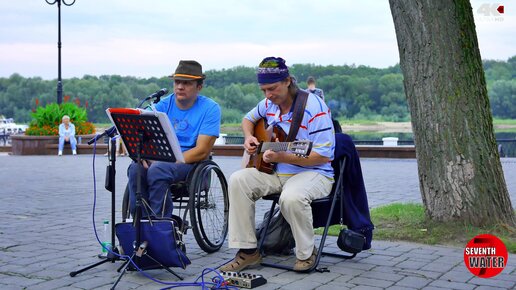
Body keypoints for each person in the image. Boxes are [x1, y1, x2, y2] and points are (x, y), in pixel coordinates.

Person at [220, 57, 335, 272]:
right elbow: (247, 119)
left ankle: (307, 253)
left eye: (272, 89)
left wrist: (282, 157)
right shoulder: (268, 105)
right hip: (276, 171)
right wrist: (248, 138)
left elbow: (322, 155)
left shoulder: (314, 106)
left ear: (288, 81)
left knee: (291, 197)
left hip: (314, 173)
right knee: (238, 180)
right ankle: (248, 252)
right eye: (263, 90)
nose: (268, 95)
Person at [127, 60, 221, 218]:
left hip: (190, 163)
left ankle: (160, 225)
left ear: (199, 86)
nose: (180, 87)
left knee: (158, 169)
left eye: (186, 83)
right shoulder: (162, 105)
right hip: (160, 159)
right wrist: (143, 154)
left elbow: (202, 151)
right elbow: (136, 131)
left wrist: (170, 160)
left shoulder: (210, 109)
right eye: (177, 82)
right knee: (135, 169)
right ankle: (139, 224)